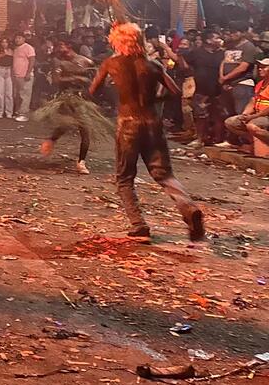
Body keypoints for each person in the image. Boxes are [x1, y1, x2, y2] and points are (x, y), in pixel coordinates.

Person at [89, 22, 205, 241]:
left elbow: (93, 90)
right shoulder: (153, 65)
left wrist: (118, 94)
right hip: (153, 122)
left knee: (124, 178)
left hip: (128, 123)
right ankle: (188, 208)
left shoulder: (110, 63)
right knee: (164, 174)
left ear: (117, 42)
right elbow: (176, 91)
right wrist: (153, 99)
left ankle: (139, 224)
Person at [36, 41, 98, 174]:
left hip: (82, 100)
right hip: (67, 98)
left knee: (85, 130)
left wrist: (89, 84)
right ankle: (51, 140)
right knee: (65, 125)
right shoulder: (59, 63)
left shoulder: (85, 61)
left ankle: (81, 162)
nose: (59, 49)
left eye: (61, 46)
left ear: (69, 46)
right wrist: (75, 78)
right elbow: (56, 80)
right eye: (57, 47)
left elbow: (95, 78)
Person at [181, 32, 227, 148]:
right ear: (208, 40)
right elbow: (185, 66)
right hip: (201, 91)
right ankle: (200, 139)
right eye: (216, 37)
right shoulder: (197, 52)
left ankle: (218, 139)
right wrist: (179, 57)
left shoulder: (222, 53)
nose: (219, 39)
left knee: (218, 115)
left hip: (218, 91)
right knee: (201, 116)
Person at [217, 31, 261, 148]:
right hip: (228, 85)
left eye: (234, 31)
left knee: (241, 113)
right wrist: (222, 78)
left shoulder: (248, 47)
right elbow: (224, 61)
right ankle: (232, 140)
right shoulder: (230, 46)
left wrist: (226, 77)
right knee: (228, 112)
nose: (231, 34)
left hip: (242, 84)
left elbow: (243, 67)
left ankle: (247, 142)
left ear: (242, 32)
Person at [225, 57, 269, 148]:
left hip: (266, 116)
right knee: (231, 122)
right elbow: (253, 101)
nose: (260, 69)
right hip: (258, 115)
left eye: (264, 67)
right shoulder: (260, 84)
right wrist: (244, 115)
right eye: (259, 66)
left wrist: (254, 116)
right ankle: (255, 144)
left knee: (252, 125)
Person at [11, 32, 37, 121]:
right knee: (17, 95)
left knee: (25, 95)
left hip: (25, 75)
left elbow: (32, 60)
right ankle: (18, 112)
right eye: (16, 38)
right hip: (16, 75)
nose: (17, 40)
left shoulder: (28, 48)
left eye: (19, 38)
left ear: (23, 38)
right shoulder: (16, 49)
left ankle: (24, 114)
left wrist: (28, 73)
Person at [0, 37, 14, 118]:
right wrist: (0, 56)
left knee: (9, 93)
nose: (4, 44)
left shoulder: (12, 51)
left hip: (8, 70)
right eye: (3, 42)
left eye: (6, 42)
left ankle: (9, 112)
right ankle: (0, 112)